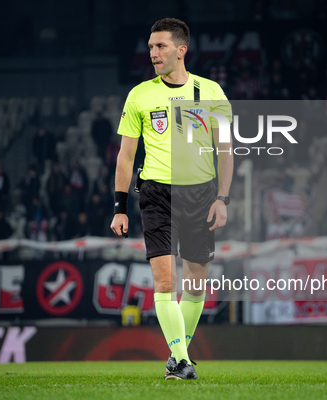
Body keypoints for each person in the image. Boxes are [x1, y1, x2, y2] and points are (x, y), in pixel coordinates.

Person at [109, 18, 233, 381]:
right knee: (166, 282)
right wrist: (119, 208)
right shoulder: (140, 95)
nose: (152, 53)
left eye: (160, 46)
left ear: (181, 50)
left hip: (202, 193)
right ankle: (181, 361)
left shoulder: (211, 92)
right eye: (150, 46)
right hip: (157, 194)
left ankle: (176, 356)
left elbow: (226, 151)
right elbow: (125, 158)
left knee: (196, 285)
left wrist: (222, 198)